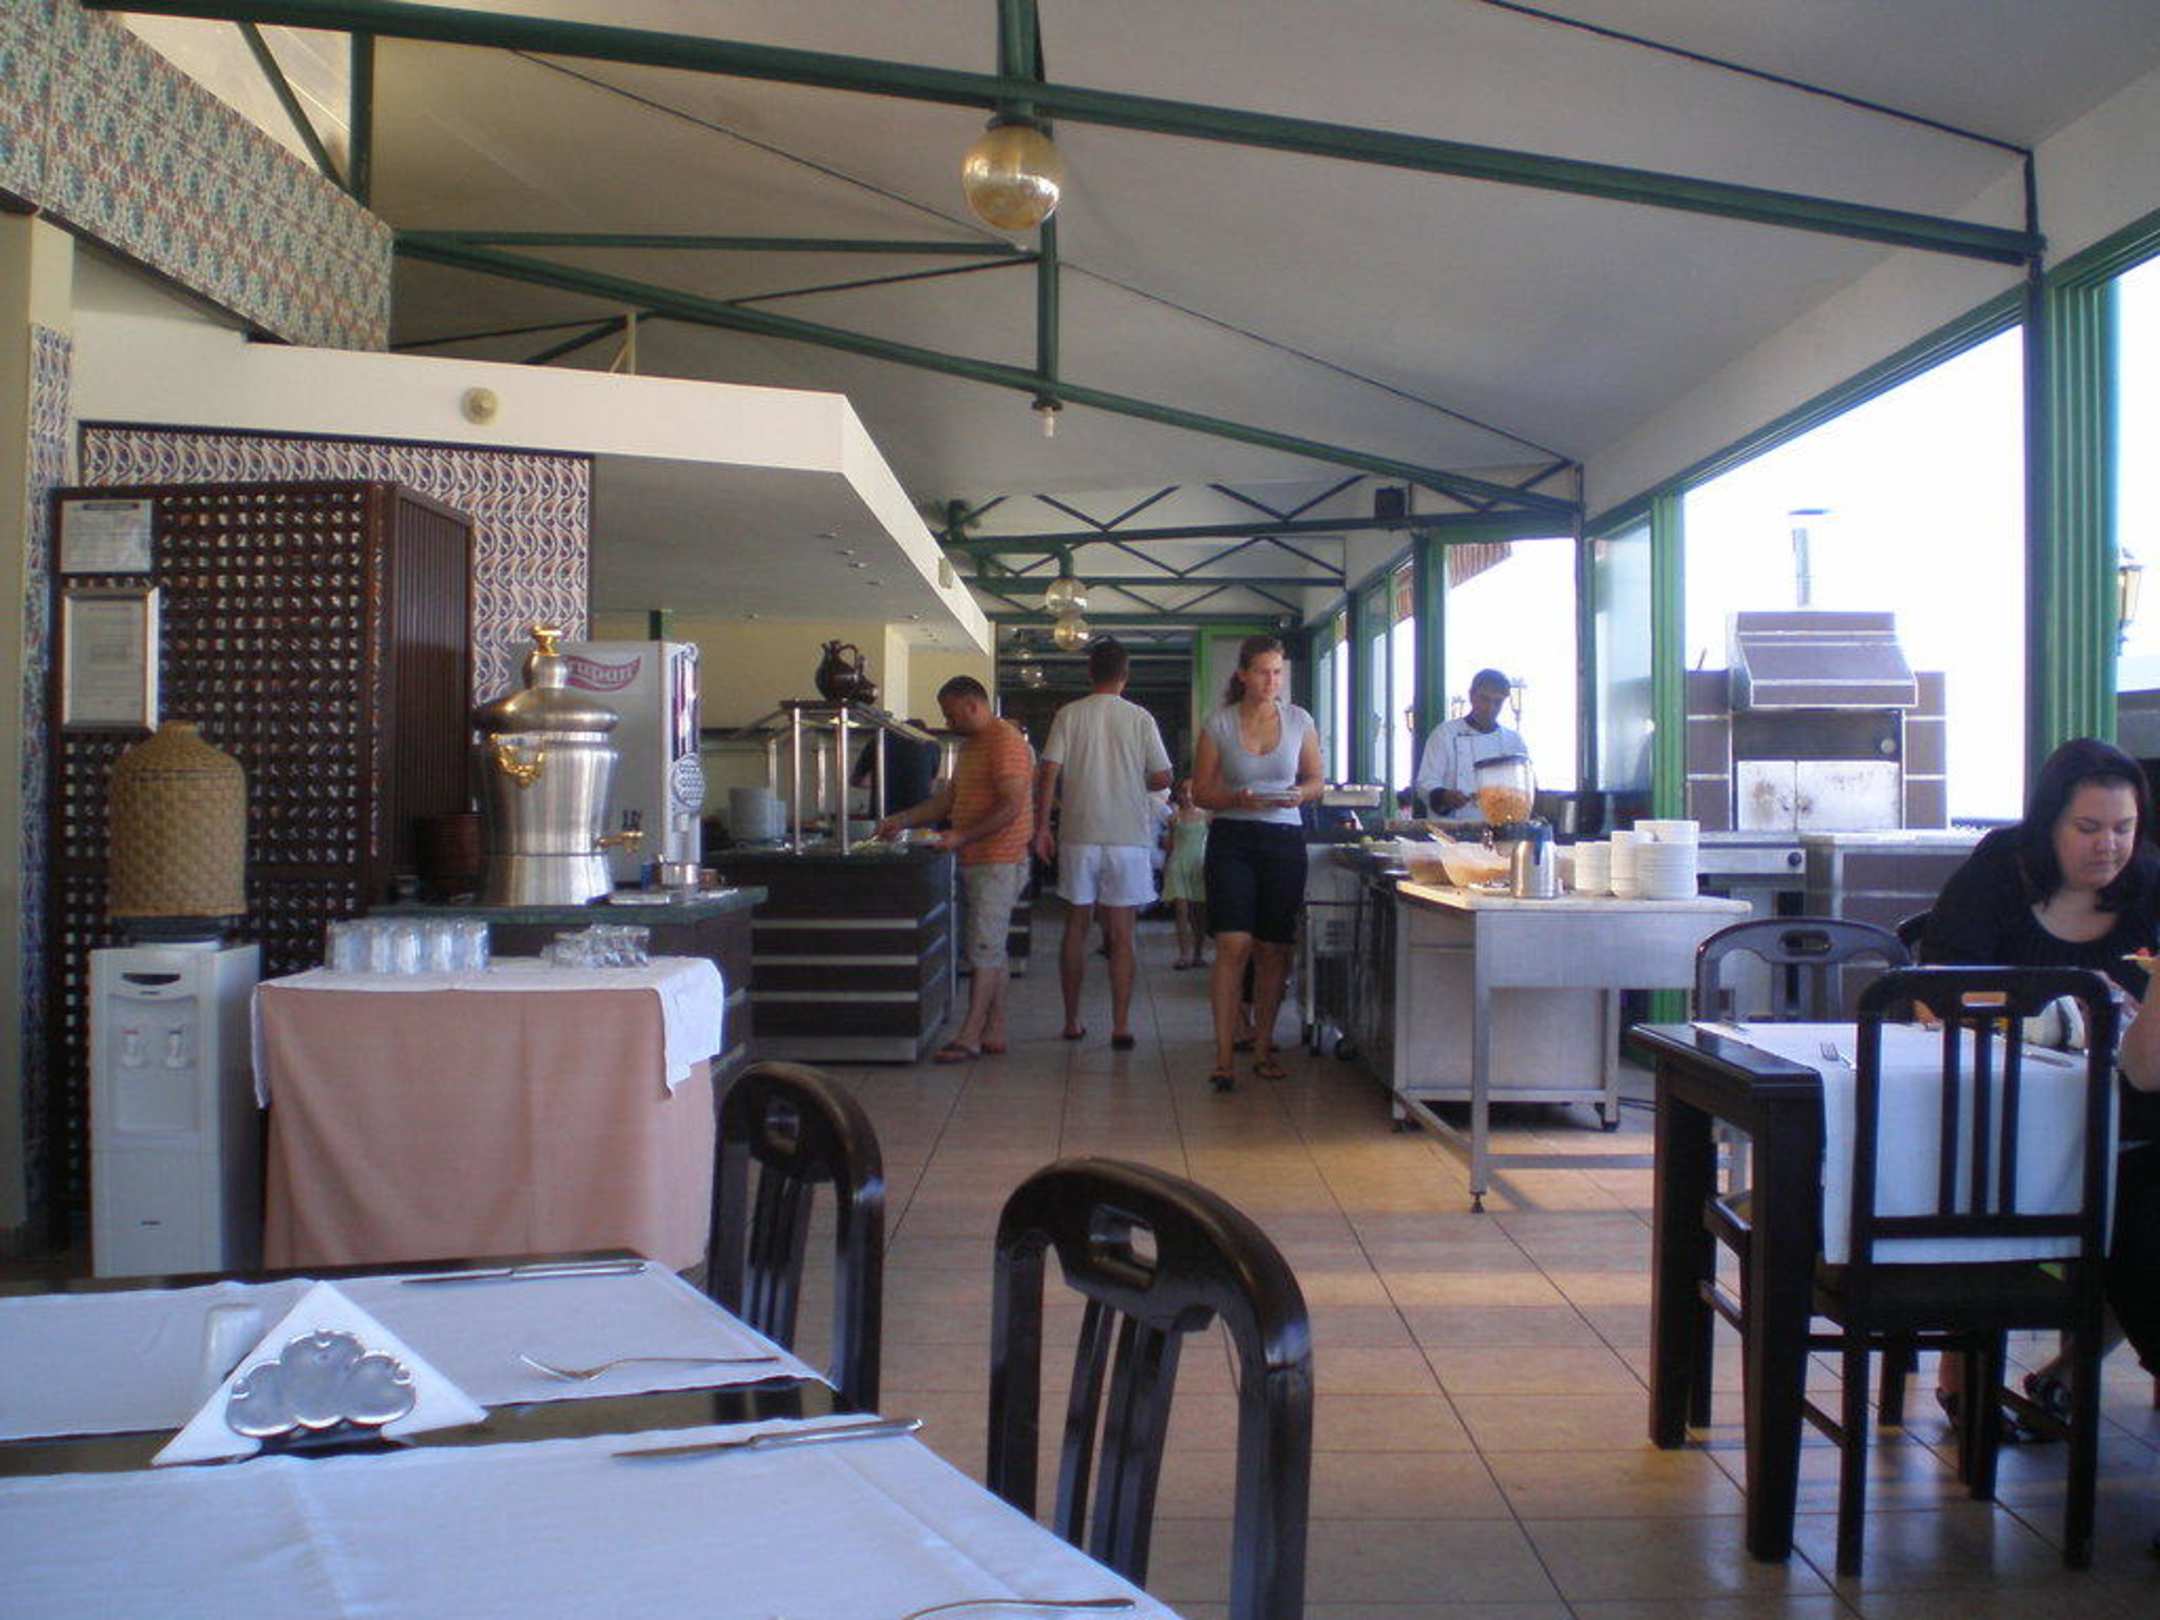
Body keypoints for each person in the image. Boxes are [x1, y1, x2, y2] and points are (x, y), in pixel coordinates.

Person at [1919, 736, 2160, 1438]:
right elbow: (1935, 993)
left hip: (2129, 1114)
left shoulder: (2148, 883)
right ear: (2050, 823)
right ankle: (1965, 1372)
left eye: (2123, 828)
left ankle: (2068, 1372)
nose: (2107, 846)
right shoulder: (2001, 869)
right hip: (2008, 1114)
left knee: (2141, 1208)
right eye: (2088, 827)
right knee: (2000, 1189)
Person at [1191, 634, 1324, 1091]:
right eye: (1264, 672)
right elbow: (1200, 791)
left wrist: (1299, 794)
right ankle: (1224, 1054)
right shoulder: (1219, 724)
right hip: (1233, 837)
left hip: (1283, 837)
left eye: (1278, 672)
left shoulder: (1299, 720)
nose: (1272, 681)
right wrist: (1235, 799)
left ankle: (1264, 1046)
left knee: (1274, 948)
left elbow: (1316, 779)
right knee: (1233, 943)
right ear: (1243, 675)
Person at [876, 676, 1032, 1063]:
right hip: (979, 858)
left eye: (951, 714)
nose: (948, 722)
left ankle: (970, 1035)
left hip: (998, 859)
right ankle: (994, 1029)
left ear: (972, 705)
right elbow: (949, 800)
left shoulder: (1005, 742)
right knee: (990, 947)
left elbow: (1012, 806)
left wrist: (962, 835)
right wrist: (902, 819)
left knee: (983, 949)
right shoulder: (973, 745)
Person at [1031, 638, 1174, 1050]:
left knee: (1076, 927)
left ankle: (1072, 1021)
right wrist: (1133, 778)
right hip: (1128, 837)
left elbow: (1048, 772)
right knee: (1122, 933)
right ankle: (1121, 1025)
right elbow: (1163, 777)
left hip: (1078, 834)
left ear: (1089, 673)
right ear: (1125, 676)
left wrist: (1042, 828)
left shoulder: (1069, 714)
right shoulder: (1140, 717)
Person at [1412, 668, 1528, 820]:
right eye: (1485, 699)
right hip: (1451, 829)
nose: (1490, 708)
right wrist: (1445, 796)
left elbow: (1522, 787)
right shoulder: (1445, 734)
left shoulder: (1513, 741)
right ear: (1472, 696)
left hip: (1498, 827)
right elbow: (1426, 782)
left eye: (1497, 702)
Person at [850, 720, 942, 822]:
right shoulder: (932, 745)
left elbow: (858, 781)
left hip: (883, 818)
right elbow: (932, 785)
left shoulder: (879, 739)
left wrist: (886, 781)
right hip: (919, 819)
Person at [1162, 778, 1210, 970]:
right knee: (1181, 911)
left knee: (1199, 913)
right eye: (1184, 791)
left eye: (1191, 791)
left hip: (1198, 865)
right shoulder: (1174, 817)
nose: (1188, 795)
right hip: (1178, 863)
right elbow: (1170, 844)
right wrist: (1166, 866)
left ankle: (1198, 953)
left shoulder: (1207, 816)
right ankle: (1184, 954)